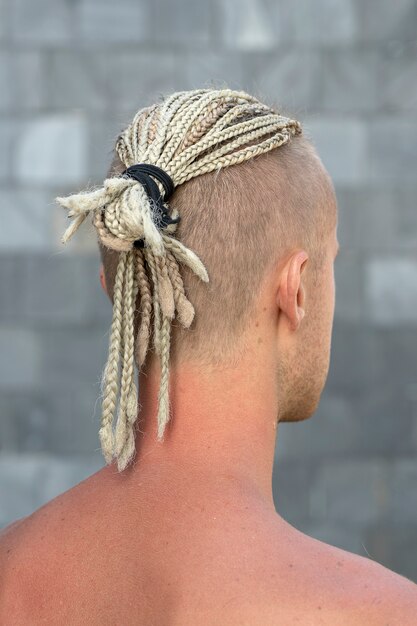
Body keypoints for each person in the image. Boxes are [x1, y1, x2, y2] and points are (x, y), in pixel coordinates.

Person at [1, 87, 416, 625]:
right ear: (295, 291)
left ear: (114, 290)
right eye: (331, 263)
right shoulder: (381, 613)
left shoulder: (10, 575)